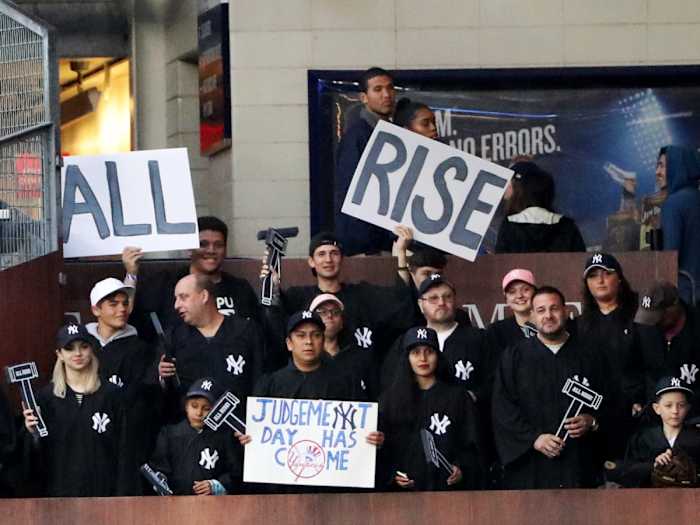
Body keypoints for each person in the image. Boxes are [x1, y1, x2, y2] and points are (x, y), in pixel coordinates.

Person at [492, 286, 603, 489]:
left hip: (579, 465)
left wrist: (592, 420)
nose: (548, 316)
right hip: (530, 468)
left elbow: (611, 401)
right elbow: (503, 409)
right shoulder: (514, 357)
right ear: (532, 316)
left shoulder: (590, 355)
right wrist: (534, 439)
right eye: (541, 310)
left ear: (566, 311)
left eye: (554, 309)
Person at [23, 324, 132, 496]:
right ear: (59, 354)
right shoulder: (45, 399)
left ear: (92, 349)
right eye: (69, 348)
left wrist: (123, 498)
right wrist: (32, 434)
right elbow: (35, 461)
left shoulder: (112, 395)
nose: (78, 353)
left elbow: (125, 453)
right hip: (59, 495)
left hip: (104, 495)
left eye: (84, 346)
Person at [270, 231, 414, 360]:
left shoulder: (363, 294)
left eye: (334, 253)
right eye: (321, 254)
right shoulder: (297, 297)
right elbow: (275, 322)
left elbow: (398, 300)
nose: (328, 260)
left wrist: (401, 254)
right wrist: (272, 286)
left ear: (342, 259)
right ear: (311, 261)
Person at [122, 216, 260, 343]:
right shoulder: (165, 283)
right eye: (203, 244)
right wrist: (131, 273)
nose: (211, 250)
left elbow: (255, 333)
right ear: (190, 248)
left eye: (218, 245)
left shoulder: (240, 288)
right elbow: (128, 315)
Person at [380, 326, 481, 491]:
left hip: (448, 494)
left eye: (429, 351)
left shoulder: (458, 398)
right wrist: (394, 476)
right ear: (407, 358)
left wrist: (461, 468)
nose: (423, 358)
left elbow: (472, 445)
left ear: (438, 356)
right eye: (415, 352)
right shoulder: (390, 400)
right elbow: (383, 449)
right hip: (401, 498)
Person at [158, 274, 262, 422]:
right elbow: (164, 395)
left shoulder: (246, 330)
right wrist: (162, 376)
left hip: (236, 431)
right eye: (176, 299)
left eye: (183, 297)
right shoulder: (173, 337)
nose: (176, 305)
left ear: (204, 296)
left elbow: (260, 380)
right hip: (190, 435)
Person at [86, 277, 159, 472]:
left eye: (125, 303)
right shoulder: (82, 346)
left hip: (125, 439)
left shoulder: (140, 349)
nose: (122, 309)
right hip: (87, 439)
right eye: (113, 304)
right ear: (96, 310)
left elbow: (144, 398)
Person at [577, 253, 643, 459]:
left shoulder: (639, 316)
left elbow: (653, 363)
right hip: (595, 415)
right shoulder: (579, 324)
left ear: (620, 278)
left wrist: (644, 400)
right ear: (587, 283)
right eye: (593, 275)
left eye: (607, 273)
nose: (600, 280)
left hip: (634, 412)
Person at [382, 275, 485, 402]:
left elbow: (495, 383)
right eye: (433, 298)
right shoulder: (406, 342)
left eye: (447, 296)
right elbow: (390, 383)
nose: (441, 303)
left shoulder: (479, 339)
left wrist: (471, 397)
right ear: (420, 304)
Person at [334, 67, 396, 255]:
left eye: (390, 88)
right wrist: (363, 246)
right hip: (368, 246)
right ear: (364, 97)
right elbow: (350, 192)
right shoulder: (357, 136)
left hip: (389, 240)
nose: (386, 94)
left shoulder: (393, 134)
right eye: (377, 89)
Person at [147, 377, 241, 496]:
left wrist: (216, 485)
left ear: (217, 410)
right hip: (176, 505)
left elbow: (235, 473)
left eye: (206, 408)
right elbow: (159, 468)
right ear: (186, 406)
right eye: (194, 406)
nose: (199, 413)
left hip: (213, 506)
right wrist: (160, 480)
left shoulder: (224, 437)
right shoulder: (169, 434)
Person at [253, 311, 362, 401]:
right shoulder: (270, 385)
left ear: (323, 341)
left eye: (316, 335)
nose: (309, 341)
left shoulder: (346, 383)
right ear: (289, 343)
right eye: (301, 335)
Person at [620, 377, 700, 487]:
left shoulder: (696, 438)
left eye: (681, 405)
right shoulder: (643, 439)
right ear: (657, 408)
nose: (675, 411)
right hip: (651, 499)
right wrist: (654, 465)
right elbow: (626, 471)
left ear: (688, 407)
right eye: (668, 405)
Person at [633, 281, 700, 407]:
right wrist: (637, 398)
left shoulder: (696, 327)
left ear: (674, 307)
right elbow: (633, 369)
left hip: (693, 412)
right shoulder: (644, 328)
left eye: (658, 316)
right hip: (653, 410)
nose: (653, 322)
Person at [495, 161, 586, 253]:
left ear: (519, 189)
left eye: (509, 183)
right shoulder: (567, 226)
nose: (505, 189)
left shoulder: (509, 226)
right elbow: (582, 263)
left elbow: (501, 264)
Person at [308, 293, 377, 400]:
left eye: (335, 312)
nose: (329, 316)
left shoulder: (359, 358)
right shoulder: (305, 358)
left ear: (342, 323)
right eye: (322, 312)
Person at [657, 146, 700, 304]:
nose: (658, 172)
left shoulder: (673, 204)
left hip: (688, 298)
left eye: (662, 165)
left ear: (678, 166)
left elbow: (670, 258)